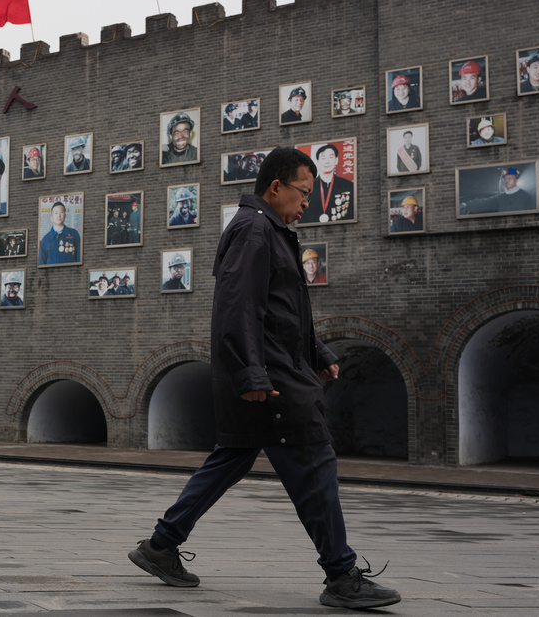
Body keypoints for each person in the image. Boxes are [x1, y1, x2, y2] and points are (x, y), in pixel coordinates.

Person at [127, 146, 400, 610]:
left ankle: (160, 546)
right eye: (302, 192)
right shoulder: (256, 230)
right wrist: (252, 373)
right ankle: (341, 575)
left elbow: (282, 313)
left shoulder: (267, 230)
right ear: (275, 187)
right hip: (272, 381)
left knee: (230, 459)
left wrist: (319, 352)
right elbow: (237, 310)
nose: (306, 204)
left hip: (269, 370)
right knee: (315, 464)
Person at [301, 144, 353, 224]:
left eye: (330, 157)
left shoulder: (348, 185)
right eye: (323, 158)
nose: (327, 161)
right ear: (317, 162)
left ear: (336, 160)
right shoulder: (308, 188)